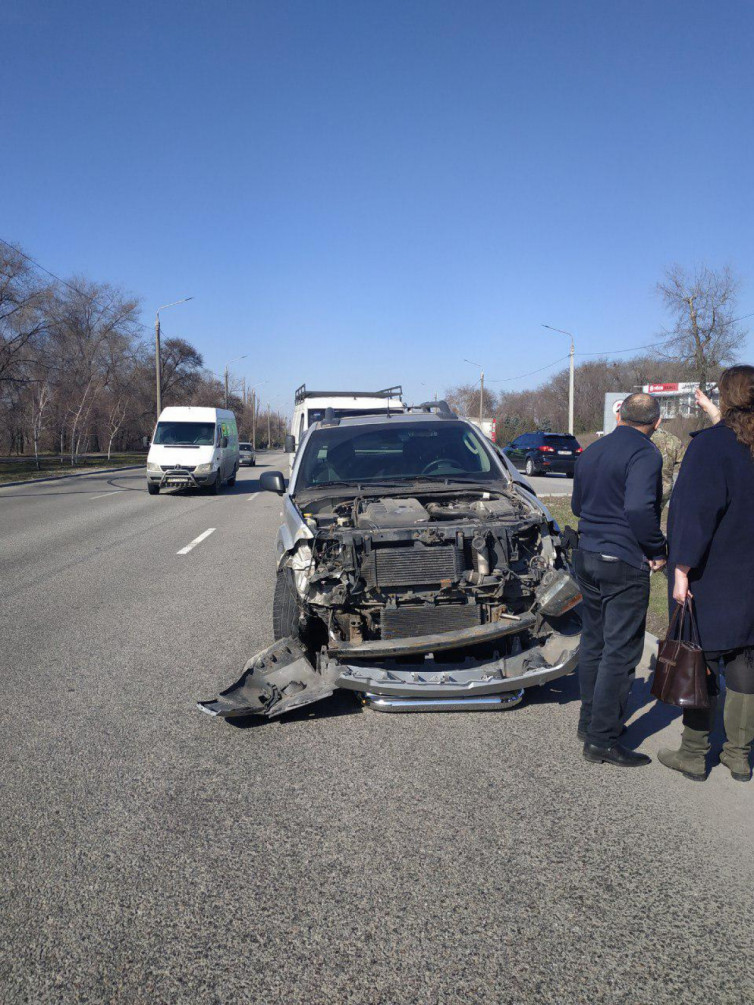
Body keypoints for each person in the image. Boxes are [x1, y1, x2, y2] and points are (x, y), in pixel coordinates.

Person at [659, 365, 754, 782]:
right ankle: (738, 756)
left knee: (702, 656)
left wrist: (681, 571)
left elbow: (695, 513)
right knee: (747, 657)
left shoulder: (712, 447)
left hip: (715, 572)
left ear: (727, 398)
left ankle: (695, 754)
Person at [571, 392, 666, 767]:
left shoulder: (592, 449)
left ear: (620, 416)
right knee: (620, 651)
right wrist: (657, 549)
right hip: (622, 559)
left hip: (587, 555)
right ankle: (601, 740)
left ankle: (589, 721)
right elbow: (639, 509)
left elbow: (577, 506)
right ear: (656, 424)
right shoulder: (645, 453)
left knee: (594, 641)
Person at [652, 423, 686, 509]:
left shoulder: (634, 438)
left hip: (636, 494)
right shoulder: (672, 440)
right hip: (664, 494)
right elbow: (686, 464)